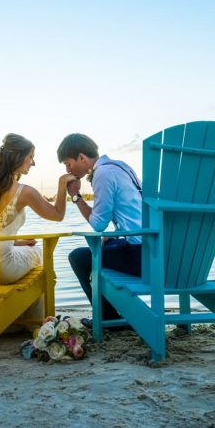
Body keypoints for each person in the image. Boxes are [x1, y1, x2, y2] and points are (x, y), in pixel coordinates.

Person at [57, 133, 143, 323]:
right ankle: (112, 313)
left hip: (140, 256)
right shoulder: (121, 166)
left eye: (68, 164)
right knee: (105, 246)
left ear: (81, 157)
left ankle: (106, 318)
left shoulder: (102, 174)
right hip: (153, 247)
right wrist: (114, 236)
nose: (67, 169)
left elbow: (98, 224)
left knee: (79, 257)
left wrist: (76, 196)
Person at [0, 133, 76, 285]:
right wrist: (62, 184)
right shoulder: (25, 192)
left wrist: (16, 242)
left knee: (29, 248)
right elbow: (58, 215)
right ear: (18, 157)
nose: (33, 163)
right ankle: (40, 307)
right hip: (2, 268)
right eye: (31, 157)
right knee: (38, 252)